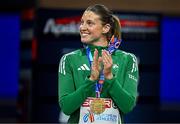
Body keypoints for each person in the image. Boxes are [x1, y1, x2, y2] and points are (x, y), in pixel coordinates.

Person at [58, 4, 139, 124]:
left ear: (105, 28)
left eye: (89, 23)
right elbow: (66, 107)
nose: (82, 27)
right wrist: (91, 80)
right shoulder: (69, 59)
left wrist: (109, 78)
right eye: (82, 22)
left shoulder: (128, 59)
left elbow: (127, 106)